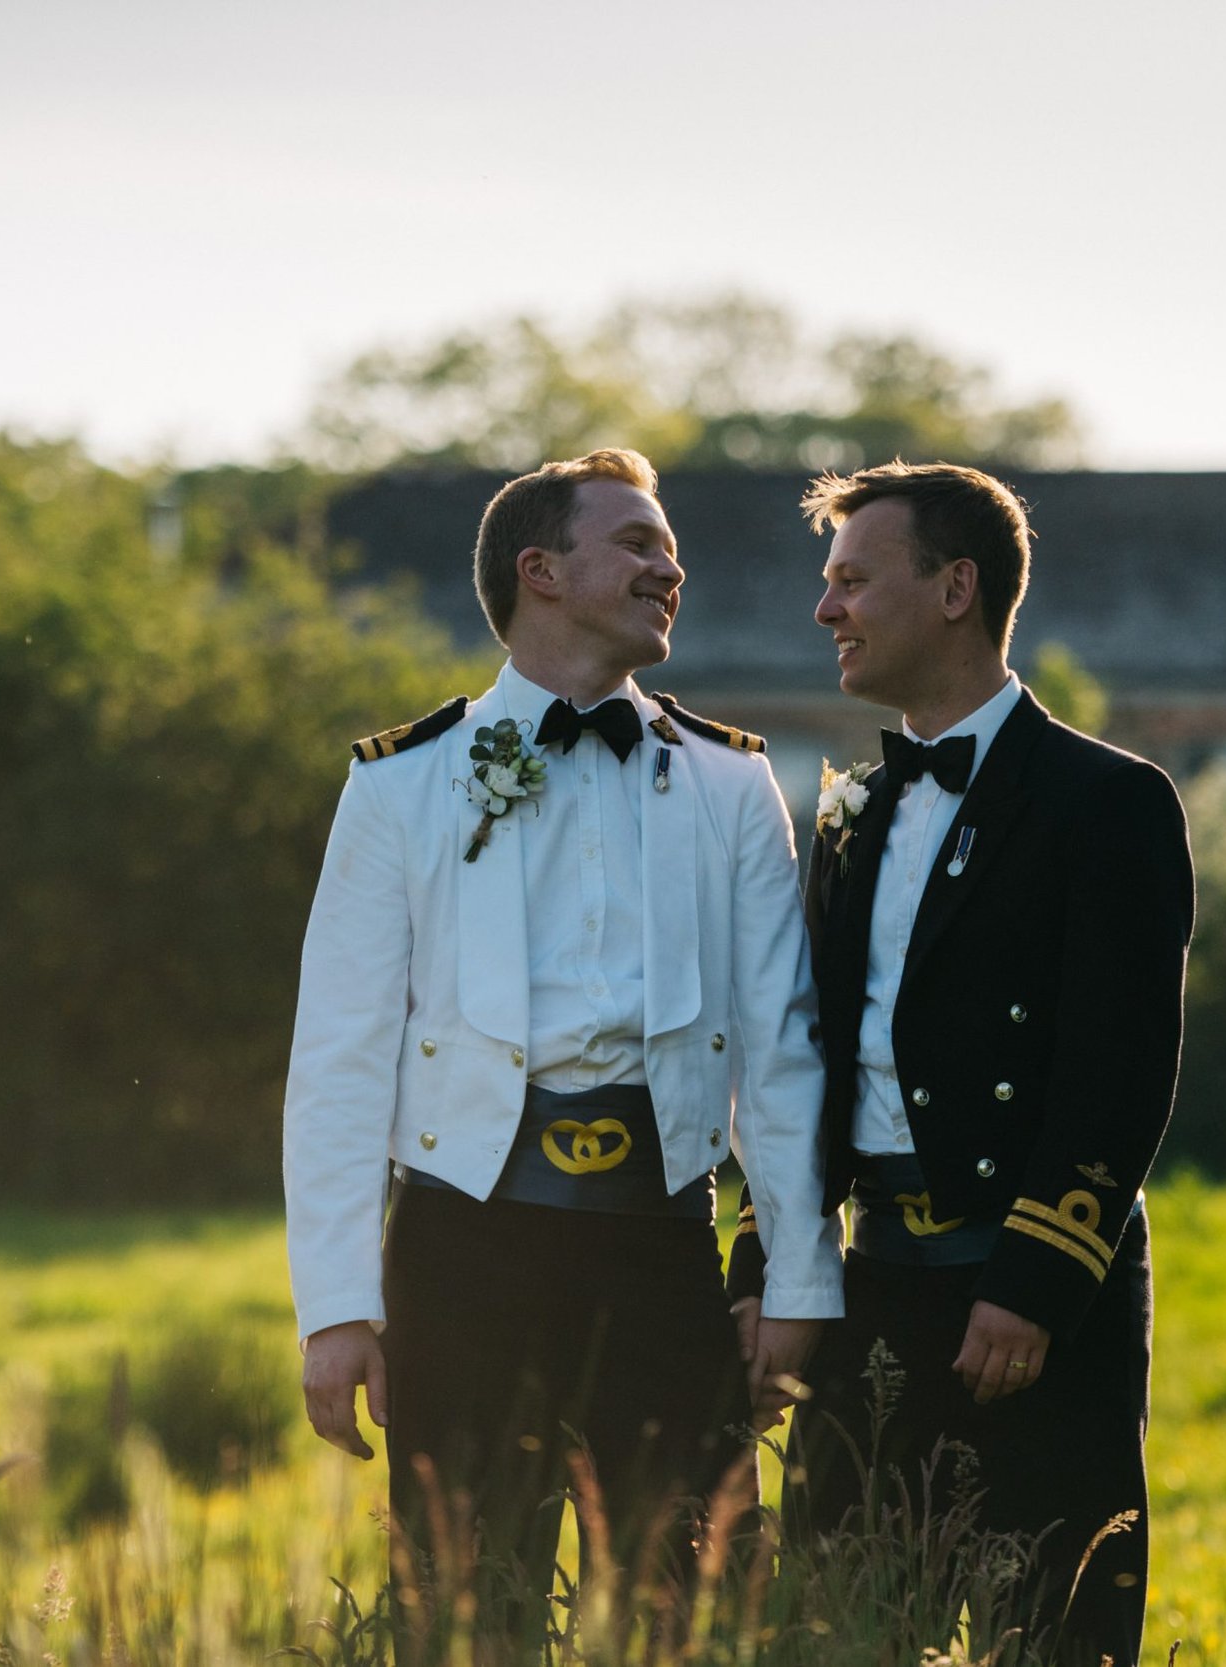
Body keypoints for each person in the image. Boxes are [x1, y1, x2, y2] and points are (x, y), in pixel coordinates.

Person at [281, 447, 841, 1637]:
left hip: (662, 1243)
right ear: (540, 570)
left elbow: (781, 1056)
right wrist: (336, 1306)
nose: (669, 563)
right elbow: (337, 1056)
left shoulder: (732, 784)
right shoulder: (400, 783)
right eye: (637, 542)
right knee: (460, 1605)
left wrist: (796, 1277)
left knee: (688, 1603)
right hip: (460, 1245)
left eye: (667, 544)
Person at [732, 461, 1193, 1665]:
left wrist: (1035, 1278)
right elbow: (803, 1061)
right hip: (869, 1289)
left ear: (953, 588)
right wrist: (767, 1262)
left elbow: (1123, 1058)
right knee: (830, 1634)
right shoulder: (854, 810)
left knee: (1049, 1634)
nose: (826, 609)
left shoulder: (1109, 800)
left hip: (1029, 1297)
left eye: (849, 580)